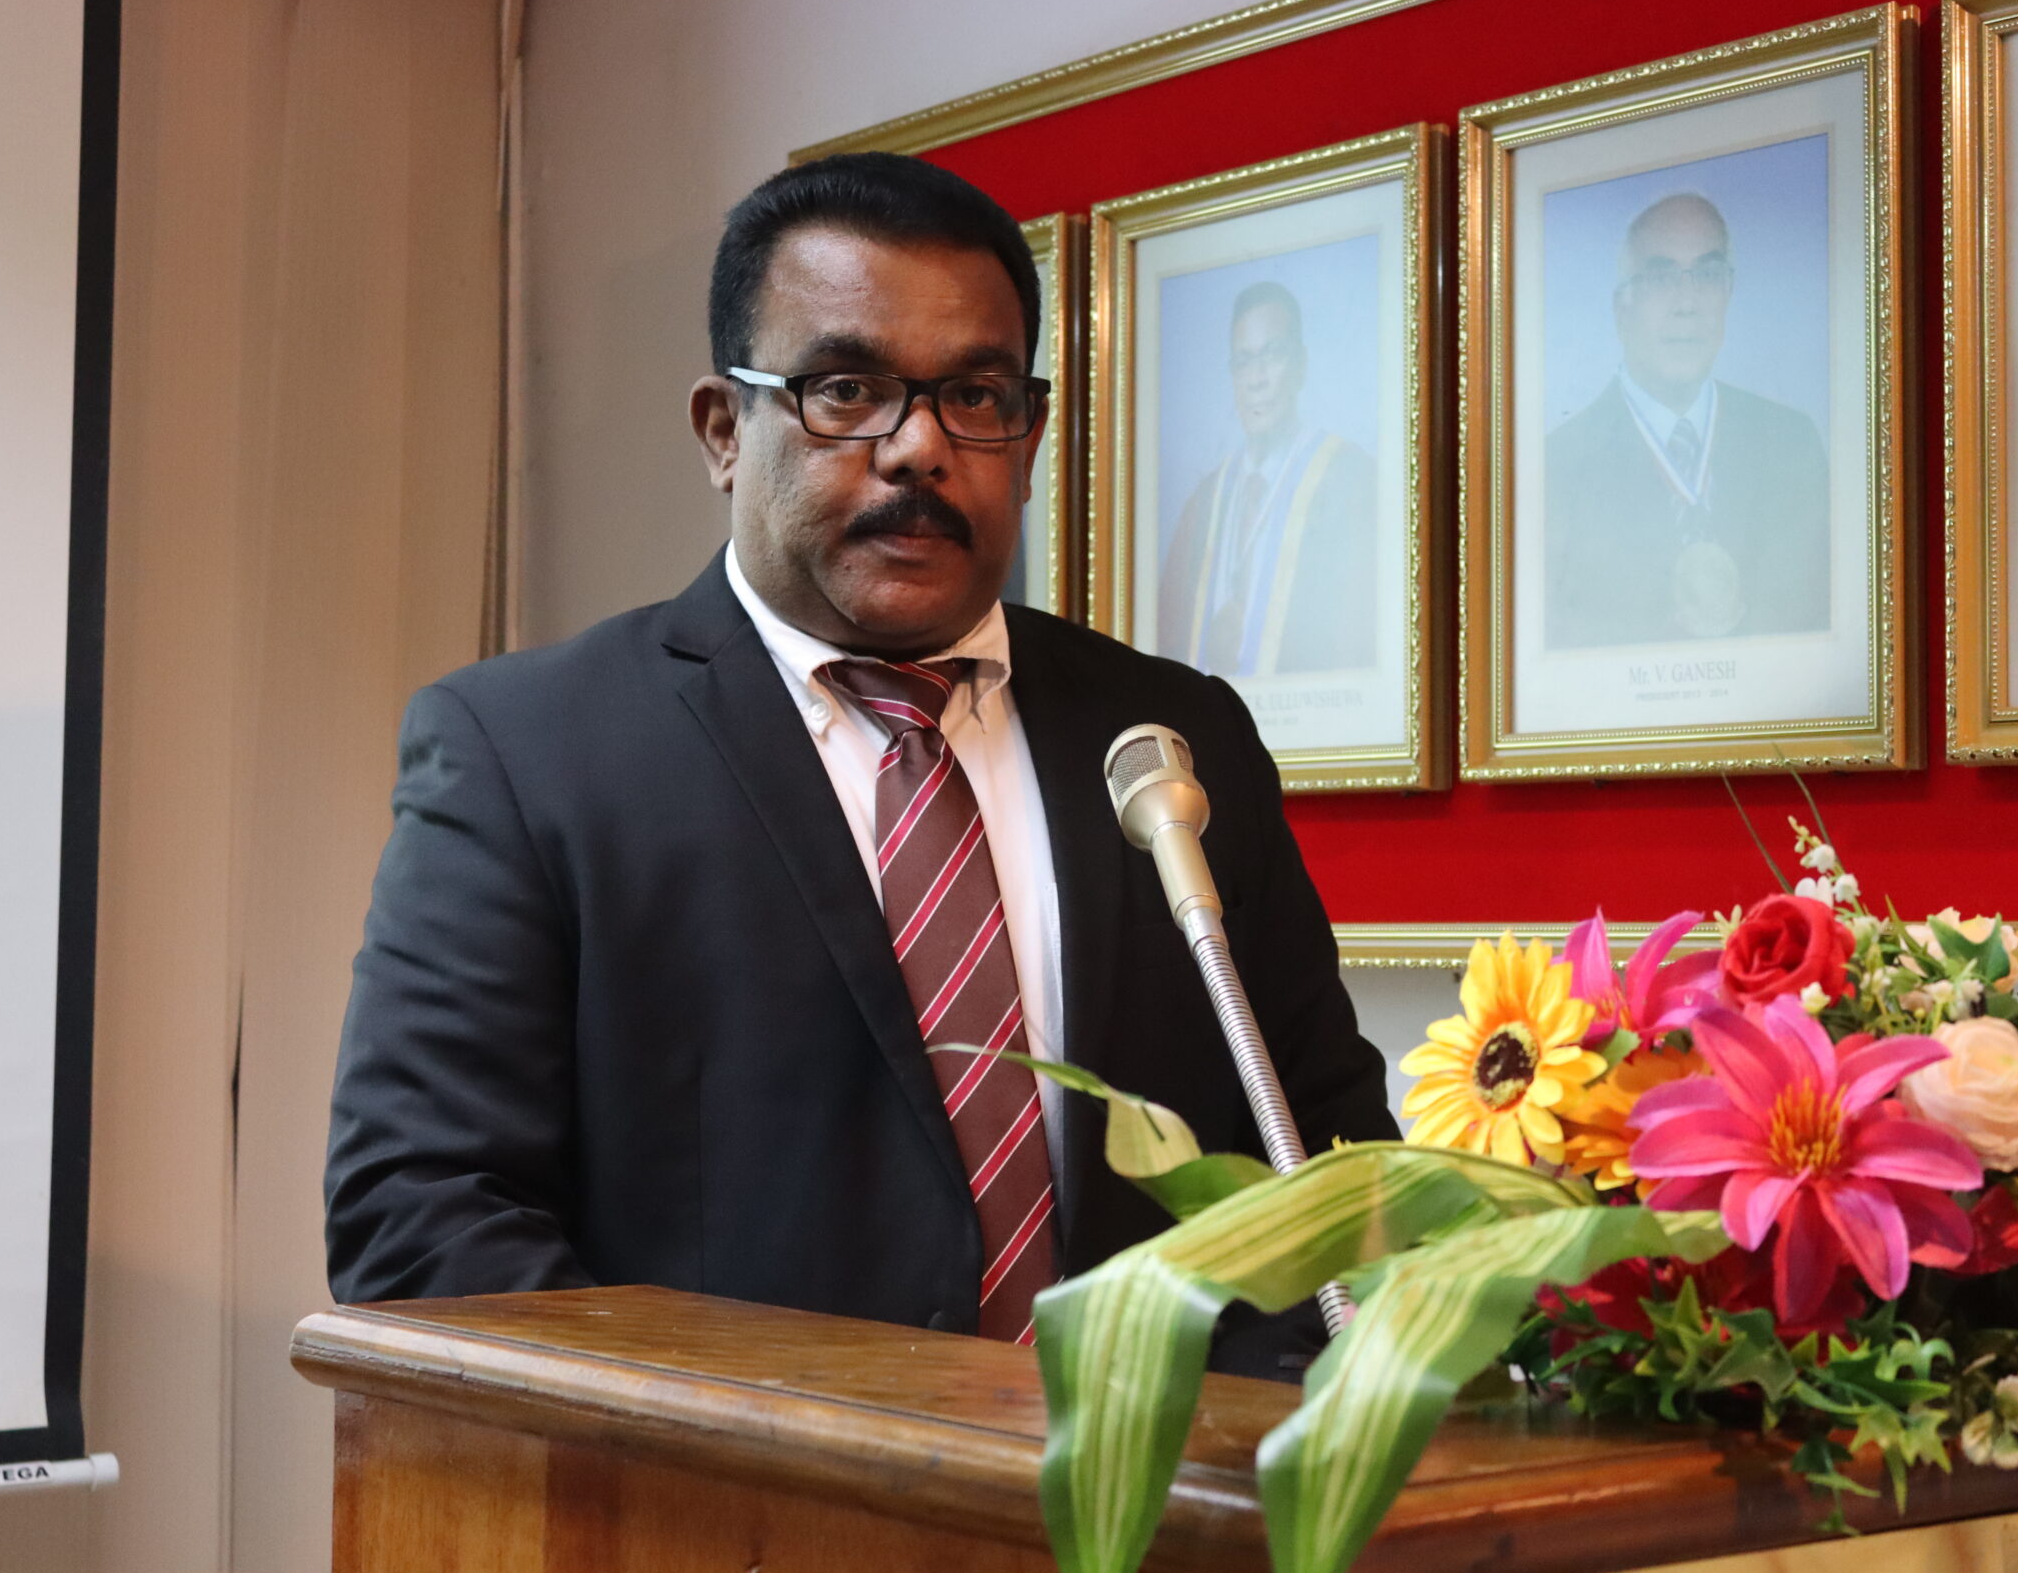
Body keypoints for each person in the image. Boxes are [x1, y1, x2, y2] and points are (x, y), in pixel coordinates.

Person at [324, 153, 1395, 1373]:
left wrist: (1238, 1435)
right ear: (723, 431)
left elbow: (1326, 1154)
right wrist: (745, 1456)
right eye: (845, 390)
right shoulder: (529, 753)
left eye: (975, 395)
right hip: (727, 1485)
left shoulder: (1170, 736)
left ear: (1029, 438)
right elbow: (424, 1218)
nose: (919, 450)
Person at [1544, 192, 1829, 648]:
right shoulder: (1556, 468)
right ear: (1622, 307)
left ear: (1728, 293)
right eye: (1661, 278)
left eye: (1708, 275)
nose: (1687, 303)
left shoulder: (1793, 445)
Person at [1156, 281, 1375, 676]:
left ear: (1300, 365)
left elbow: (1359, 641)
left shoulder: (1349, 481)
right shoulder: (1204, 502)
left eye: (1272, 355)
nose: (1256, 378)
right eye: (1244, 361)